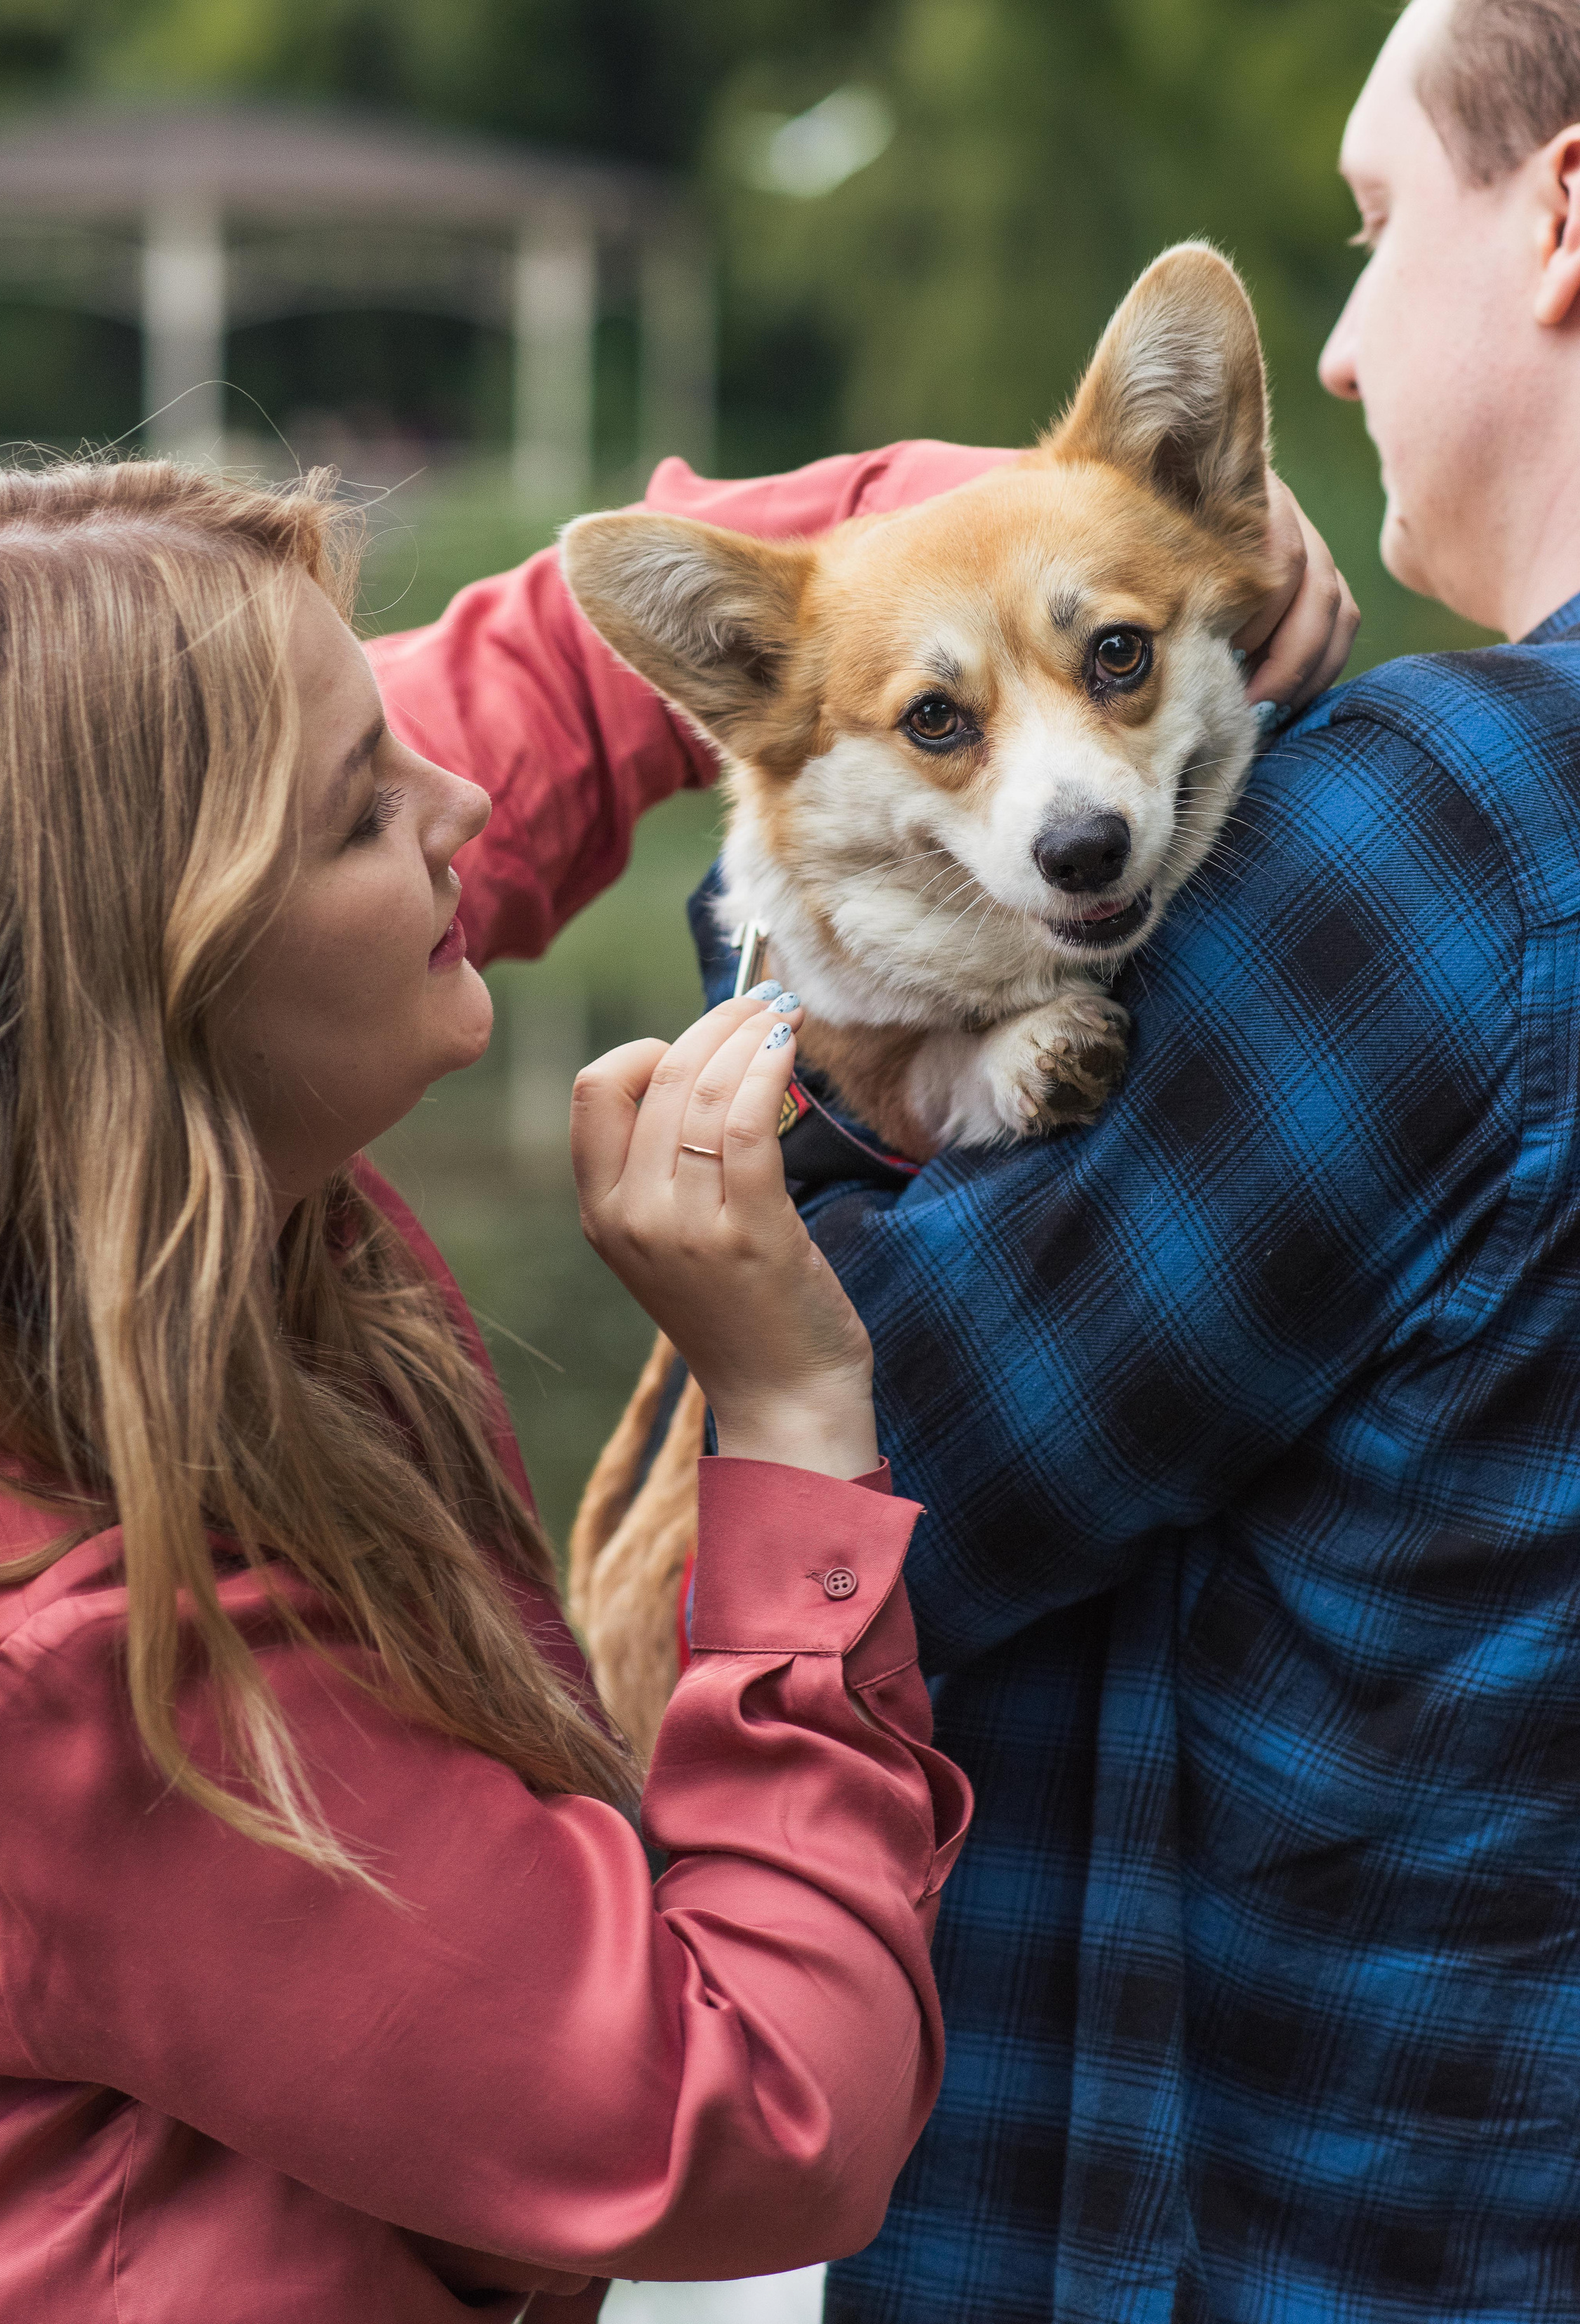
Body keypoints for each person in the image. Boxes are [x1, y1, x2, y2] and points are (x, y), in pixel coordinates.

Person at [373, 1, 1580, 2312]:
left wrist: (807, 1060)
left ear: (1559, 217)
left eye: (1371, 226)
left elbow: (868, 1496)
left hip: (1283, 2234)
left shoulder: (1434, 843)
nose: (1325, 359)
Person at [0, 458, 976, 2324]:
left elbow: (531, 696)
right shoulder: (87, 1667)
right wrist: (794, 1418)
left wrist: (977, 510)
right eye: (361, 816)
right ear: (147, 1009)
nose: (460, 805)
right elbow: (757, 2113)